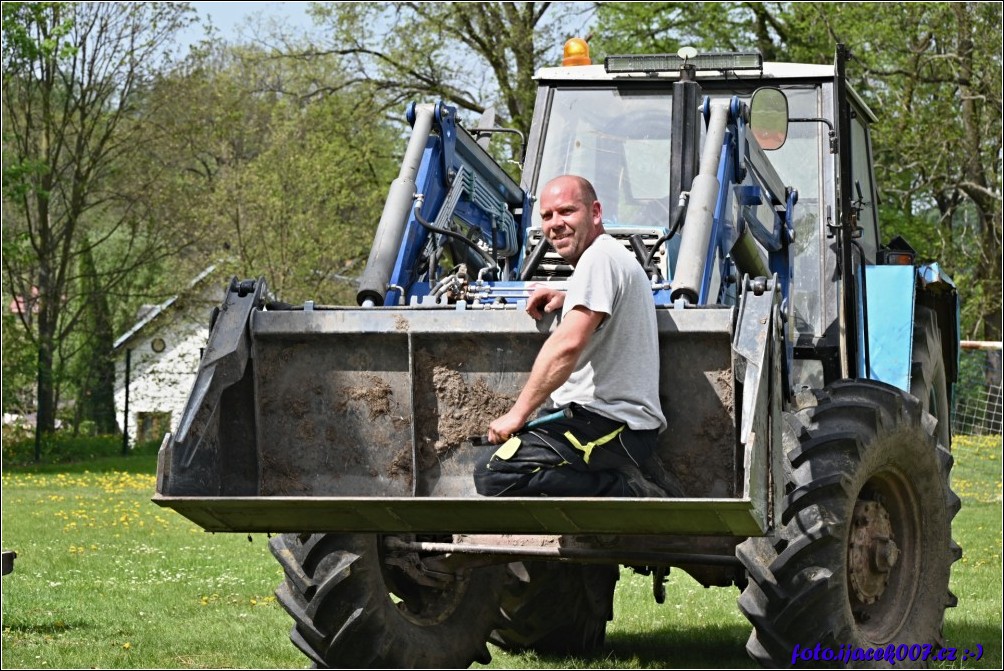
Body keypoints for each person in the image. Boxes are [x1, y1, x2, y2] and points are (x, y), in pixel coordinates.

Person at [473, 175, 679, 498]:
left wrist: (517, 413)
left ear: (595, 213)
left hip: (614, 425)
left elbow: (567, 345)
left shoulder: (598, 259)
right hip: (601, 421)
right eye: (546, 215)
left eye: (567, 211)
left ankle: (629, 490)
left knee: (493, 473)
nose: (555, 224)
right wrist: (567, 298)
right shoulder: (605, 259)